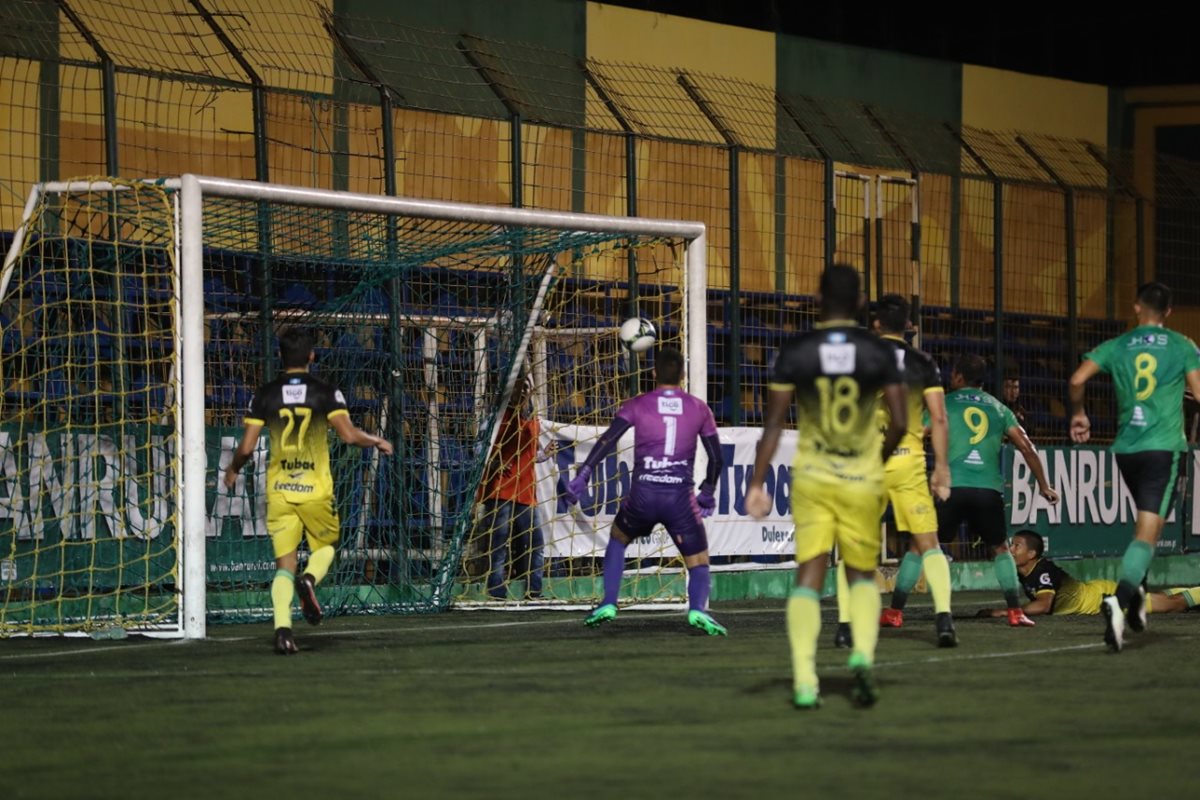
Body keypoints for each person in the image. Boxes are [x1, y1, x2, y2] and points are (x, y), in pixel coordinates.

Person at [747, 264, 907, 710]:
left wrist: (757, 482)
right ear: (860, 302)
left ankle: (803, 679)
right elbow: (899, 421)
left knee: (810, 574)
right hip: (861, 478)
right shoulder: (877, 352)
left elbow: (774, 423)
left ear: (818, 297)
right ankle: (862, 656)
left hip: (814, 477)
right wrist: (875, 458)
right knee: (860, 574)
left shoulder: (797, 350)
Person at [223, 327, 393, 655]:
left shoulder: (264, 395)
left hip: (280, 491)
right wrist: (376, 440)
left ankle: (284, 632)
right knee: (327, 547)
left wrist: (233, 470)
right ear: (312, 356)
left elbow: (246, 446)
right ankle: (312, 579)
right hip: (315, 489)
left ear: (280, 357)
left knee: (284, 565)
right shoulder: (326, 393)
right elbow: (349, 436)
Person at [1069, 281, 1200, 651]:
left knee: (1142, 525)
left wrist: (1079, 414)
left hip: (1126, 449)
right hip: (1164, 450)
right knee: (1148, 533)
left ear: (1137, 307)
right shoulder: (1182, 345)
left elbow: (1077, 378)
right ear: (1169, 312)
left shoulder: (1117, 344)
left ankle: (1139, 599)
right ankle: (1121, 600)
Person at [888, 353, 1060, 628]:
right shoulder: (1000, 408)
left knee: (919, 546)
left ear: (957, 376)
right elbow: (1026, 446)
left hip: (951, 487)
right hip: (987, 490)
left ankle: (895, 612)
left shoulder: (943, 403)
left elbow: (916, 434)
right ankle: (1016, 611)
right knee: (1000, 549)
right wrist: (1044, 485)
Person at [563, 346, 725, 635]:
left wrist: (585, 472)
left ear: (653, 373)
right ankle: (698, 609)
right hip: (680, 498)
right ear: (683, 374)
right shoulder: (699, 408)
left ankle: (609, 602)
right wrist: (708, 490)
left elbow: (607, 441)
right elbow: (716, 457)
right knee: (698, 560)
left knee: (618, 537)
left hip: (643, 495)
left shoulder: (637, 404)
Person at [835, 293, 954, 648]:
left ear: (875, 324)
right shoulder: (923, 362)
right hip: (909, 463)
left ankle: (844, 627)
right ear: (908, 326)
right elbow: (940, 418)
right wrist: (942, 469)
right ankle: (944, 621)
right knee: (928, 543)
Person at [979, 530, 1199, 618]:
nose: (1011, 548)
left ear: (1032, 553)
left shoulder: (1042, 571)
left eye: (1016, 545)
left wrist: (1004, 612)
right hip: (1097, 591)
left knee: (1174, 605)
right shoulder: (1026, 570)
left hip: (1108, 599)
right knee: (1162, 599)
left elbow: (1043, 605)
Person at [477, 372, 555, 600]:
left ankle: (534, 590)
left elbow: (528, 456)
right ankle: (496, 590)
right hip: (500, 491)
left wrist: (544, 454)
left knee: (535, 544)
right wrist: (493, 465)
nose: (524, 395)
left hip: (526, 493)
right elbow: (479, 451)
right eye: (519, 390)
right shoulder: (495, 421)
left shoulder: (529, 424)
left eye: (525, 391)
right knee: (499, 543)